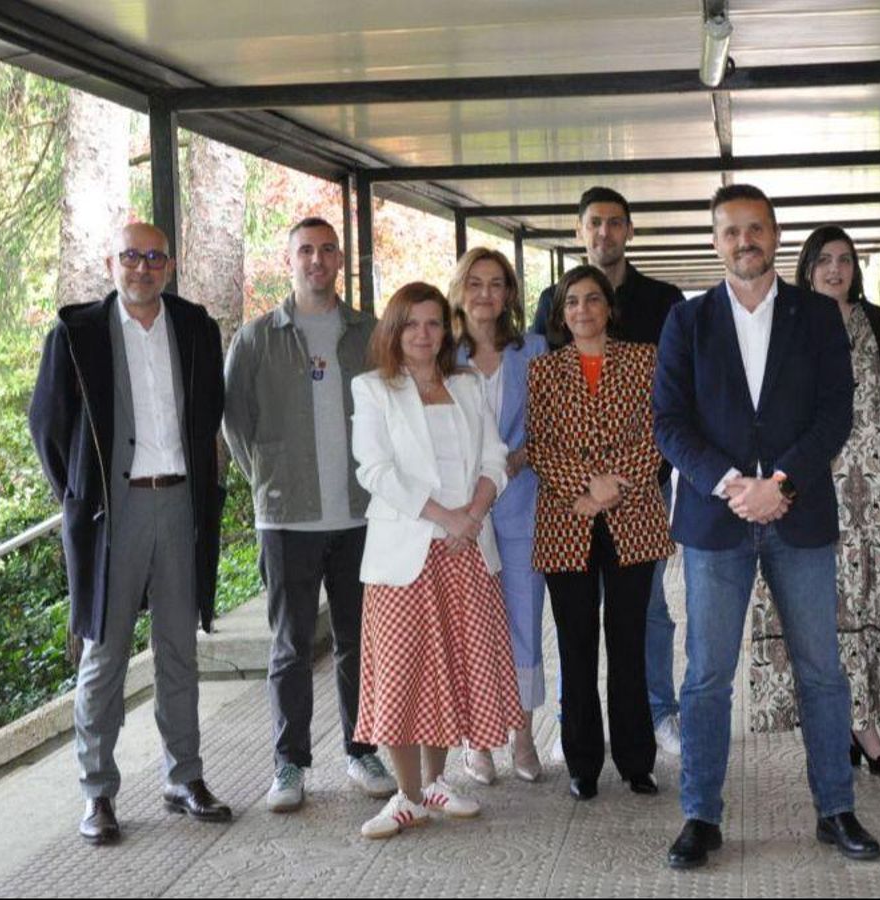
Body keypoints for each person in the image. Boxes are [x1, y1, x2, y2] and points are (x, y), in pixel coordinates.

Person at [653, 184, 880, 868]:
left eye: (754, 228)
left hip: (797, 512)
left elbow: (833, 414)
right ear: (715, 241)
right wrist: (731, 485)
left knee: (820, 672)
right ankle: (701, 816)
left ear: (775, 235)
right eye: (729, 231)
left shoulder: (816, 317)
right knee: (706, 678)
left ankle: (836, 808)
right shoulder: (687, 321)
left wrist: (778, 483)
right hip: (715, 520)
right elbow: (669, 421)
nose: (743, 241)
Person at [29, 222, 232, 844]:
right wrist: (81, 498)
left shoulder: (196, 327)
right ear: (110, 262)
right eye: (130, 257)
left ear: (169, 265)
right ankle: (97, 793)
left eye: (154, 257)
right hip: (110, 516)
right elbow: (48, 426)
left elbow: (210, 414)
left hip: (178, 508)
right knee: (104, 655)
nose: (142, 268)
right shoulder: (77, 333)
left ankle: (184, 777)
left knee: (179, 650)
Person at [223, 216, 396, 813]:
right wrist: (270, 479)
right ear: (289, 259)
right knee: (291, 647)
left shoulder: (369, 333)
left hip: (358, 516)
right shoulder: (256, 338)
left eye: (326, 250)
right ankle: (289, 764)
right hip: (286, 519)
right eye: (305, 251)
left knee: (359, 641)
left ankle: (362, 750)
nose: (316, 260)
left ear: (340, 259)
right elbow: (235, 421)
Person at [747, 225, 880, 773]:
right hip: (809, 491)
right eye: (823, 260)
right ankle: (851, 729)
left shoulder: (878, 324)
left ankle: (858, 726)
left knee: (870, 612)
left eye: (845, 260)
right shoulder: (788, 323)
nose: (834, 270)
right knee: (824, 616)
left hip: (874, 495)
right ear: (805, 267)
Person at [348, 282, 523, 839]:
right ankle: (405, 795)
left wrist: (471, 514)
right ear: (393, 330)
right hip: (407, 552)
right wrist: (445, 519)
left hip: (466, 549)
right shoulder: (373, 388)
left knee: (448, 667)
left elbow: (495, 458)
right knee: (401, 672)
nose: (424, 334)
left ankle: (436, 780)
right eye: (411, 324)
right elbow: (374, 471)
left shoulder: (467, 386)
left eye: (433, 323)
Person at [531, 186, 687, 756]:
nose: (604, 232)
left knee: (644, 621)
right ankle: (579, 743)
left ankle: (653, 723)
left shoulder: (663, 301)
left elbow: (665, 414)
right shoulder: (549, 323)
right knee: (575, 638)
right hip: (569, 511)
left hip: (639, 497)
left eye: (614, 223)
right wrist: (582, 488)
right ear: (580, 231)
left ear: (628, 229)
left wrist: (616, 485)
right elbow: (540, 435)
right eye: (594, 223)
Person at [449, 246, 550, 785]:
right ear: (461, 290)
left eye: (496, 284)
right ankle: (476, 741)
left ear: (509, 293)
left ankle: (523, 734)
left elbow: (550, 422)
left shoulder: (532, 349)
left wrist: (514, 460)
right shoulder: (442, 353)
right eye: (476, 283)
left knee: (523, 619)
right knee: (472, 624)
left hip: (519, 502)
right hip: (463, 509)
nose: (485, 294)